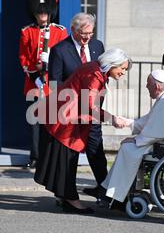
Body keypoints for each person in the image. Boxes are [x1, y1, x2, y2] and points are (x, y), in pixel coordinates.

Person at [34, 48, 131, 214]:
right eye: (122, 68)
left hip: (63, 116)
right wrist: (112, 118)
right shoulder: (94, 75)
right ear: (111, 64)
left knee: (65, 160)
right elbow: (89, 106)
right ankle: (71, 201)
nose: (123, 72)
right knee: (67, 161)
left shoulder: (94, 68)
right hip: (65, 120)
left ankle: (66, 198)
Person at [101, 69, 164, 204]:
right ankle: (111, 190)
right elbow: (150, 121)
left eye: (148, 84)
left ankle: (117, 194)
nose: (146, 87)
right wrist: (128, 123)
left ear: (157, 86)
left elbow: (154, 132)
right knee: (128, 146)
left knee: (127, 148)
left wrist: (136, 139)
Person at [48, 13, 107, 199]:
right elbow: (55, 85)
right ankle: (68, 194)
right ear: (73, 30)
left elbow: (103, 76)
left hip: (92, 111)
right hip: (71, 114)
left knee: (96, 150)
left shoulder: (98, 46)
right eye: (83, 33)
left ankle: (104, 188)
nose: (87, 37)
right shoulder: (60, 50)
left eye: (90, 32)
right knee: (71, 155)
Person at [19, 0, 68, 168]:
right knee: (34, 122)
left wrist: (50, 67)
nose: (42, 15)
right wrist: (34, 71)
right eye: (39, 13)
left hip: (52, 84)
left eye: (45, 11)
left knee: (51, 122)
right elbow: (23, 56)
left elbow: (63, 56)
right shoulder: (27, 32)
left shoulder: (60, 32)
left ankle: (48, 157)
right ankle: (35, 156)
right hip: (33, 82)